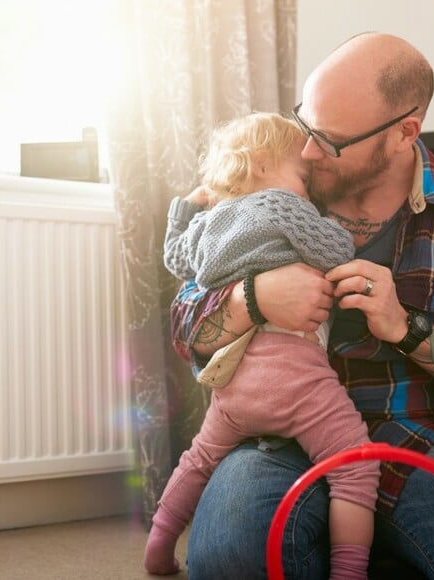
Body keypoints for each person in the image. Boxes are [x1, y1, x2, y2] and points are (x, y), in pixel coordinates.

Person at [170, 32, 434, 579]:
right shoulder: (275, 177)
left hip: (413, 434)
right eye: (306, 125)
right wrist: (255, 299)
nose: (309, 151)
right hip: (273, 436)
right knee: (229, 562)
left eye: (330, 140)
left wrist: (407, 330)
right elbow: (184, 326)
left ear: (405, 132)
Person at [146, 113, 377, 578]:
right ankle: (350, 572)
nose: (307, 186)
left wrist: (187, 207)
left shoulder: (208, 225)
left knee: (199, 458)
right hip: (296, 380)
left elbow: (174, 257)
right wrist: (337, 225)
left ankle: (158, 544)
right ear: (264, 164)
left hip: (235, 390)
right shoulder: (281, 206)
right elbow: (336, 251)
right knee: (355, 467)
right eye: (302, 175)